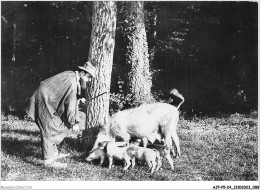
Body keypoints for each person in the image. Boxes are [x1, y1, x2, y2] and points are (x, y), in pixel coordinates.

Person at [26, 62, 96, 168]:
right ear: (82, 73)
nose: (89, 80)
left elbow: (66, 94)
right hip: (44, 99)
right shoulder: (72, 84)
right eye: (89, 77)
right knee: (49, 128)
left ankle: (53, 153)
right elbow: (71, 105)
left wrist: (78, 99)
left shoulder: (71, 74)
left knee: (57, 124)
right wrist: (74, 123)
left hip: (47, 98)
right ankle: (48, 161)